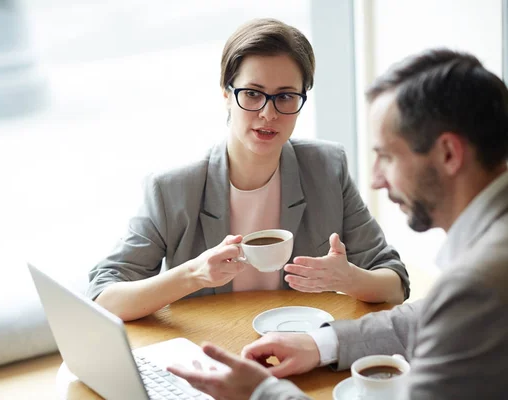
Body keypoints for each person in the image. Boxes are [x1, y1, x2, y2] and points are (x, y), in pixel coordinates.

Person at [167, 48, 508, 399]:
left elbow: (453, 303)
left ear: (449, 154)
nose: (376, 179)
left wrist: (261, 393)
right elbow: (432, 315)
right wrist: (321, 343)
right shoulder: (481, 274)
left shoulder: (478, 282)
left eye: (386, 157)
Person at [86, 18, 409, 322]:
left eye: (285, 96)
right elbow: (103, 298)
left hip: (300, 348)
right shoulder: (173, 188)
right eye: (252, 94)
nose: (268, 114)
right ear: (227, 94)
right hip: (211, 354)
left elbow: (394, 283)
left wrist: (351, 278)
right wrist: (192, 275)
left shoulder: (326, 168)